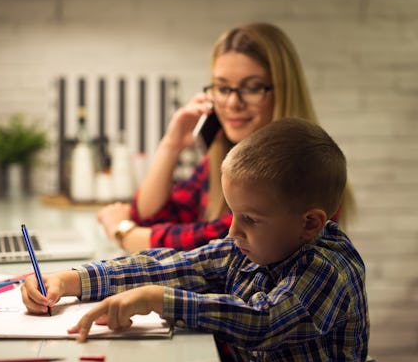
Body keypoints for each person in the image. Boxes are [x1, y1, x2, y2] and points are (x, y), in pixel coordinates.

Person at [22, 118, 399, 362]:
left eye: (250, 218)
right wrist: (73, 280)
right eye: (233, 213)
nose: (233, 230)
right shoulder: (253, 247)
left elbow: (262, 321)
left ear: (310, 223)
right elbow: (172, 265)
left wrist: (159, 300)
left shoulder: (328, 268)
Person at [97, 22, 320, 253]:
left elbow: (216, 243)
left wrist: (122, 231)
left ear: (283, 92)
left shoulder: (300, 169)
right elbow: (150, 217)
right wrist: (171, 145)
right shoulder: (223, 160)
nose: (233, 103)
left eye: (252, 88)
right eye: (223, 89)